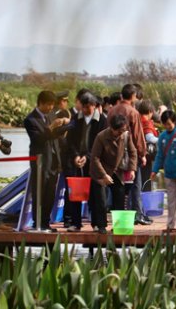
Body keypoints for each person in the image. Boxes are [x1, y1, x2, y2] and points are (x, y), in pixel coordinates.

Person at [23, 90, 71, 231]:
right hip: (40, 161)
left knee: (51, 193)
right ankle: (37, 222)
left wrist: (65, 125)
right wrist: (52, 127)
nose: (51, 108)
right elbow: (38, 139)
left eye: (52, 105)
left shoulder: (51, 116)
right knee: (39, 192)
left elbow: (56, 136)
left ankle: (45, 222)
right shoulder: (30, 120)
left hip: (54, 160)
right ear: (41, 103)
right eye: (48, 105)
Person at [62, 90, 106, 232]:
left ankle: (99, 224)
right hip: (78, 160)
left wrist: (87, 156)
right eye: (83, 107)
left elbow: (100, 142)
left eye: (88, 107)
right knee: (76, 192)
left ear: (94, 105)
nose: (86, 110)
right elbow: (70, 141)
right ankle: (75, 223)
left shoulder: (102, 120)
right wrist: (76, 156)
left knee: (97, 193)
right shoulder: (76, 118)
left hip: (95, 161)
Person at [110, 83, 152, 225]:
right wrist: (142, 154)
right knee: (135, 185)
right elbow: (137, 135)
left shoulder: (112, 110)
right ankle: (137, 214)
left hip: (113, 155)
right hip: (130, 155)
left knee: (118, 188)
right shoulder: (133, 112)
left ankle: (119, 218)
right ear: (133, 96)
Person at [89, 113, 137, 233]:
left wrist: (132, 169)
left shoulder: (126, 135)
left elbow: (133, 152)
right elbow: (95, 158)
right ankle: (101, 225)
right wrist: (104, 175)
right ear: (112, 128)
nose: (121, 133)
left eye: (123, 130)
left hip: (117, 171)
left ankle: (118, 225)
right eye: (119, 131)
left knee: (119, 198)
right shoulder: (101, 137)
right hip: (101, 171)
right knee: (101, 200)